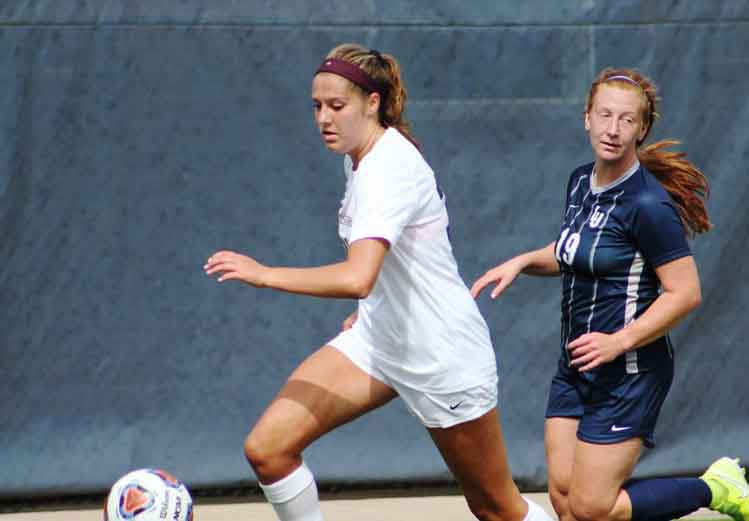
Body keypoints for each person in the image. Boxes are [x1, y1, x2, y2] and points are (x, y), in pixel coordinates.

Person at [204, 43, 553, 521]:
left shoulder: (388, 169)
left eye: (337, 106)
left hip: (440, 355)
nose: (324, 118)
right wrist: (378, 305)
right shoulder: (359, 157)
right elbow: (384, 273)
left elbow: (358, 276)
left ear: (373, 103)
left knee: (496, 508)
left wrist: (264, 275)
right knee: (268, 448)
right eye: (317, 106)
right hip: (379, 340)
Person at [472, 67, 749, 521]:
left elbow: (686, 292)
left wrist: (619, 341)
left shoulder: (648, 205)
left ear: (641, 129)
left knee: (592, 506)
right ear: (586, 118)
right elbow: (575, 251)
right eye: (604, 115)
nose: (613, 129)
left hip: (630, 372)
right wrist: (523, 261)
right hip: (578, 363)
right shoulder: (581, 181)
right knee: (564, 499)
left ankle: (713, 487)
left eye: (625, 120)